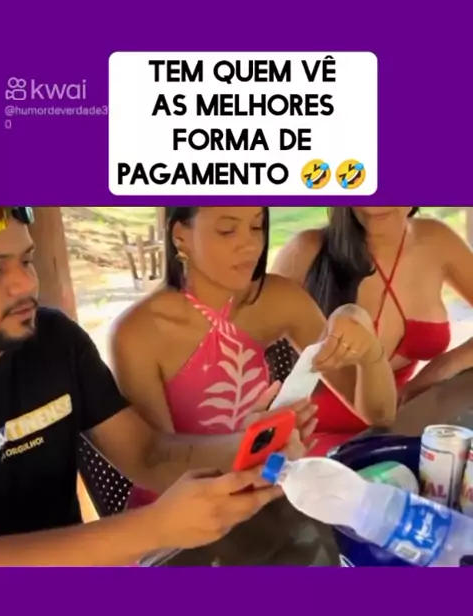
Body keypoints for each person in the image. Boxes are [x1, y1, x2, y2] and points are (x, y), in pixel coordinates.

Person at [0, 207, 292, 566]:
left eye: (26, 261)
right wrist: (154, 527)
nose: (26, 284)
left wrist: (249, 445)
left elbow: (146, 454)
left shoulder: (55, 341)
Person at [110, 206, 397, 505]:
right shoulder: (137, 334)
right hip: (177, 513)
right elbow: (160, 468)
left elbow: (381, 414)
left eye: (257, 227)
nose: (249, 245)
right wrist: (250, 446)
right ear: (180, 236)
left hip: (262, 492)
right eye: (227, 230)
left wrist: (362, 335)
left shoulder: (277, 300)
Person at [271, 206, 473, 450]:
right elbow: (251, 354)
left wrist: (442, 367)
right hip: (310, 438)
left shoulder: (437, 241)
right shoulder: (306, 251)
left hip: (399, 427)